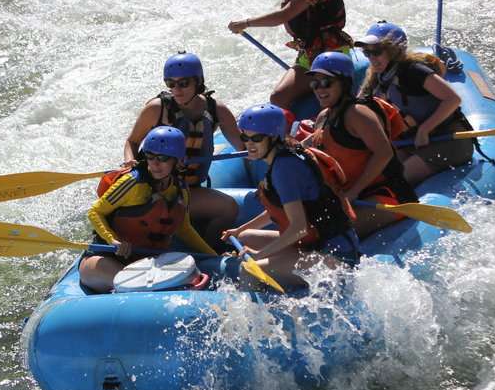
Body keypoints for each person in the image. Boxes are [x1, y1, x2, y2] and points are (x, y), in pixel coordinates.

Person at [220, 103, 360, 290]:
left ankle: (264, 316)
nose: (249, 144)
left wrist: (260, 254)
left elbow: (299, 229)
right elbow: (277, 212)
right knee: (246, 237)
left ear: (274, 137)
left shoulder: (284, 169)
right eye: (245, 137)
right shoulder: (282, 158)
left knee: (249, 270)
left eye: (257, 138)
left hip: (336, 256)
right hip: (315, 244)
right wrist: (239, 230)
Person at [124, 52, 243, 245]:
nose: (176, 90)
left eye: (184, 83)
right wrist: (129, 161)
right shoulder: (157, 109)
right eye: (171, 83)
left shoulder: (216, 110)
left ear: (198, 82)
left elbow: (243, 147)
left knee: (229, 208)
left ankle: (209, 250)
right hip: (155, 189)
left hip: (188, 190)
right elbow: (132, 141)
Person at [82, 126, 217, 293]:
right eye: (150, 156)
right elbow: (95, 212)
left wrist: (213, 255)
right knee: (135, 287)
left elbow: (184, 229)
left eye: (163, 158)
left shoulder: (180, 190)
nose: (155, 164)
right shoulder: (132, 183)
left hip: (147, 261)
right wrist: (113, 240)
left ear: (178, 161)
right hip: (107, 259)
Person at [227, 0, 352, 111]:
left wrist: (246, 23)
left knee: (278, 98)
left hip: (329, 51)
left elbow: (283, 16)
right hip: (309, 52)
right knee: (279, 96)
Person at [304, 51, 419, 237]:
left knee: (330, 234)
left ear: (344, 83)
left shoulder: (358, 114)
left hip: (387, 195)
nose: (319, 89)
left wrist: (354, 192)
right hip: (353, 196)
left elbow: (384, 153)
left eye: (326, 82)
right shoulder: (323, 118)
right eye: (315, 83)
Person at [354, 21, 474, 186]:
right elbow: (358, 107)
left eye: (377, 51)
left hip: (448, 141)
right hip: (413, 142)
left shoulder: (414, 71)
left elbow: (453, 99)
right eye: (367, 52)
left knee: (395, 181)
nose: (372, 58)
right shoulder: (379, 75)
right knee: (373, 173)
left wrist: (425, 129)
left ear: (394, 51)